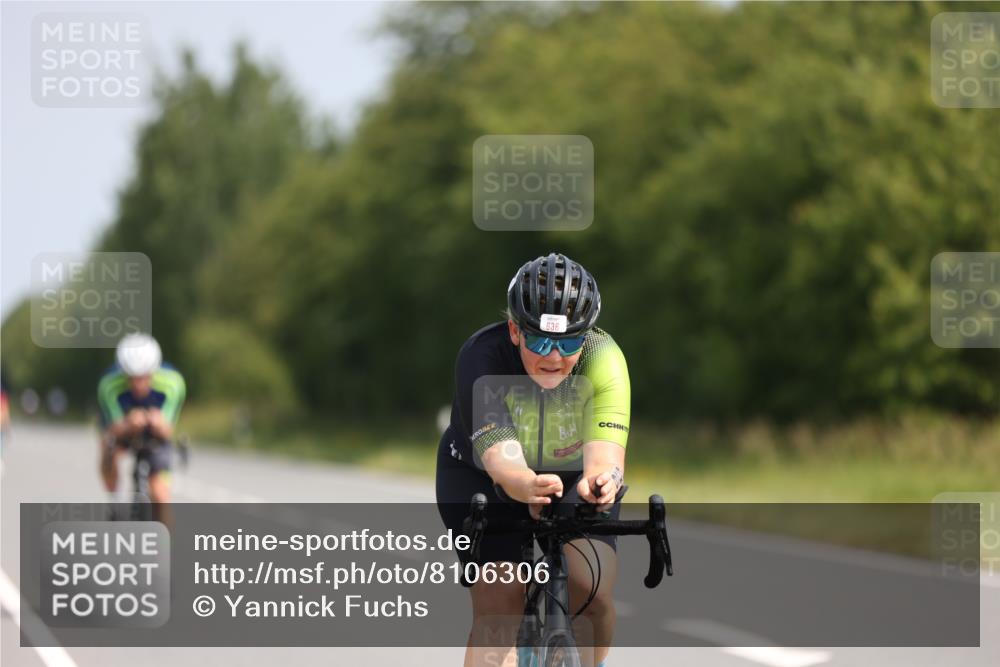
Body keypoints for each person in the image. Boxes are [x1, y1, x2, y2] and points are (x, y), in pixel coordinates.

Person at [437, 253, 630, 667]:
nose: (555, 357)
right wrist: (525, 485)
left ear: (588, 335)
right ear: (514, 330)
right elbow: (500, 457)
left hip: (570, 476)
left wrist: (602, 481)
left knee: (591, 593)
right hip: (481, 477)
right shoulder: (481, 356)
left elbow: (606, 453)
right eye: (540, 340)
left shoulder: (604, 357)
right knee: (500, 607)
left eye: (569, 341)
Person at [97, 333, 186, 522]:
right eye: (132, 378)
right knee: (107, 447)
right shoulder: (108, 386)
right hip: (124, 430)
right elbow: (111, 430)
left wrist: (159, 423)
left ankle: (165, 544)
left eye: (144, 377)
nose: (138, 384)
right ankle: (114, 499)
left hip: (156, 436)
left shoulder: (173, 384)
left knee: (160, 495)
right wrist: (128, 424)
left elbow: (168, 431)